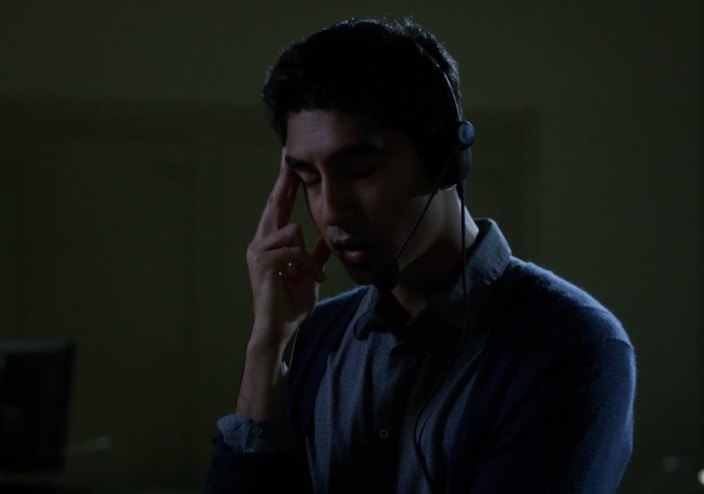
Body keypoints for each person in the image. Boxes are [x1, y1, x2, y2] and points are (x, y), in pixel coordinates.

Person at [205, 17, 636, 493]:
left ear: (444, 157)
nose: (330, 210)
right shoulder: (314, 340)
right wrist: (267, 347)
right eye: (308, 179)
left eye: (360, 171)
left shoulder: (572, 345)